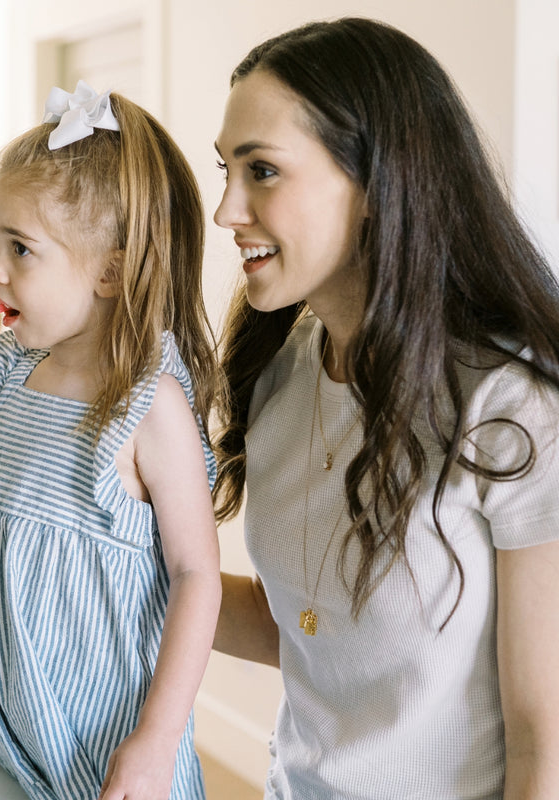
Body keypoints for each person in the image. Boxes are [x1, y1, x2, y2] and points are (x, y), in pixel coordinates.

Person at [211, 17, 559, 800]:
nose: (226, 211)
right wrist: (117, 566)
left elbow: (547, 745)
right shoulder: (280, 374)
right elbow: (304, 630)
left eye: (261, 170)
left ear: (375, 186)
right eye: (225, 170)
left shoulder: (511, 405)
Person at [0, 81, 221, 800]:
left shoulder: (151, 405)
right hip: (20, 735)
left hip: (116, 747)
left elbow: (196, 576)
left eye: (19, 248)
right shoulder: (10, 371)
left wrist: (157, 740)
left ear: (112, 271)